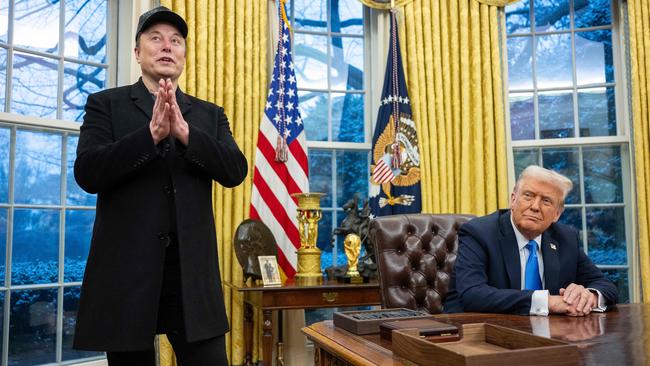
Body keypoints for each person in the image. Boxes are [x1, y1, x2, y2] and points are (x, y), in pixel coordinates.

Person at [72, 6, 247, 365]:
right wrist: (150, 136)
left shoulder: (209, 115)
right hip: (127, 276)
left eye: (176, 40)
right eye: (155, 38)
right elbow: (88, 173)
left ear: (184, 54)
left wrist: (184, 133)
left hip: (191, 278)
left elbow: (235, 171)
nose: (167, 46)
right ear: (137, 52)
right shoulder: (105, 104)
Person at [444, 165, 617, 316]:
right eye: (528, 195)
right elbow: (472, 294)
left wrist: (589, 296)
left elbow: (606, 286)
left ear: (557, 214)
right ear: (513, 200)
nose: (535, 206)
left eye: (546, 201)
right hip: (477, 334)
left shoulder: (565, 238)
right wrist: (547, 302)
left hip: (548, 336)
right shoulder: (479, 233)